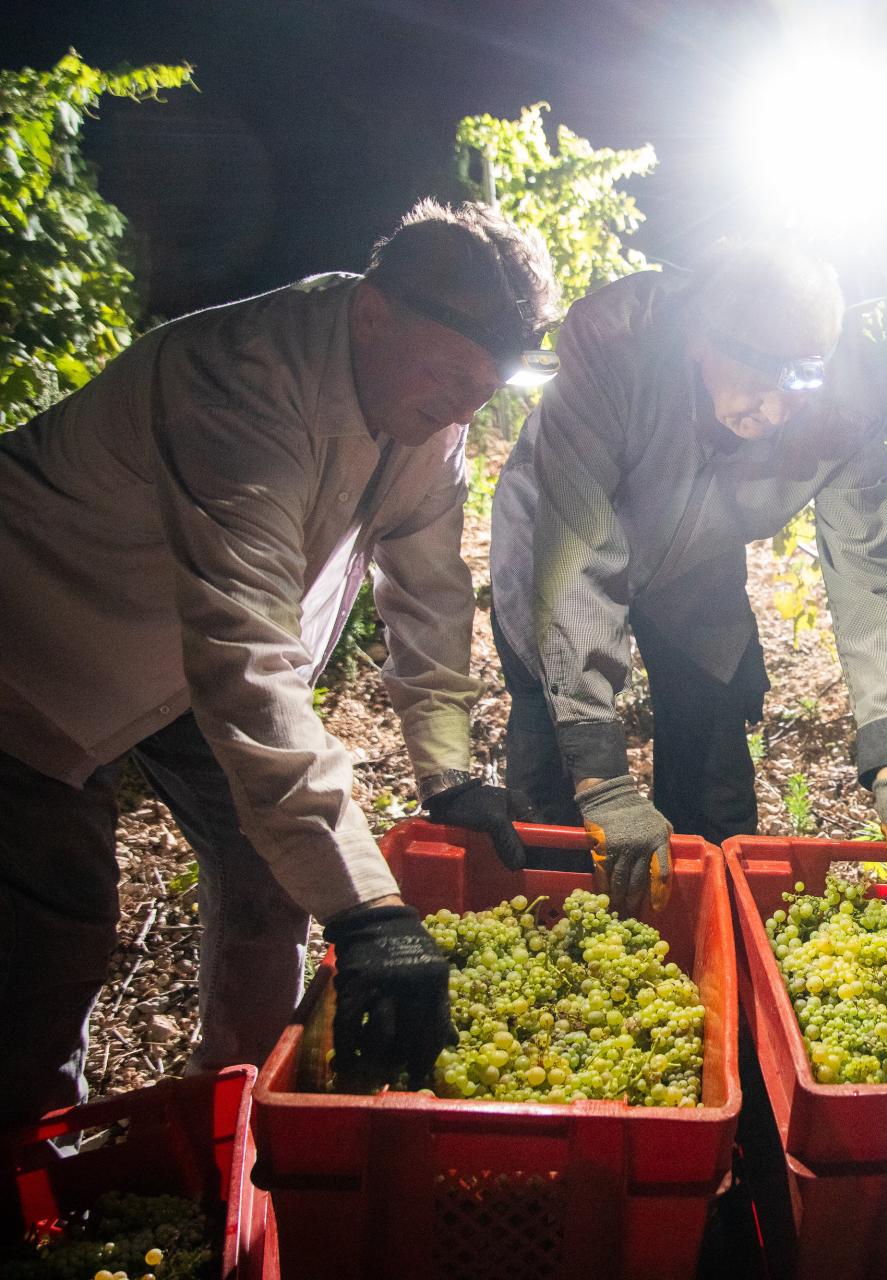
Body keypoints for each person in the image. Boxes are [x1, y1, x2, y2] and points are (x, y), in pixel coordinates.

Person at [0, 199, 559, 1120]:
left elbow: (428, 591)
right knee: (49, 935)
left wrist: (450, 770)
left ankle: (236, 1123)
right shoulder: (239, 386)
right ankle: (29, 1180)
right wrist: (371, 912)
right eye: (453, 382)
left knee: (275, 878)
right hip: (34, 639)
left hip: (174, 660)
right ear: (373, 313)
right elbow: (246, 651)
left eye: (485, 391)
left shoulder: (429, 413)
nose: (464, 414)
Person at [487, 239, 887, 915]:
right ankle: (556, 922)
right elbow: (579, 549)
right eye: (761, 376)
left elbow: (869, 581)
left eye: (799, 380)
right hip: (558, 533)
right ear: (700, 339)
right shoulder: (614, 343)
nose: (776, 411)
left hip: (696, 567)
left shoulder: (846, 400)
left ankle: (705, 941)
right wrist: (601, 779)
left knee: (714, 776)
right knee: (560, 784)